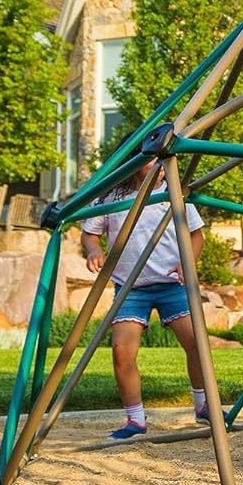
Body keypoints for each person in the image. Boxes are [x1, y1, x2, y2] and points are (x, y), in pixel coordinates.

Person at [80, 169, 209, 441]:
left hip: (171, 282)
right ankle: (135, 420)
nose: (159, 165)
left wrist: (189, 262)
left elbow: (196, 235)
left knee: (196, 342)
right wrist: (94, 250)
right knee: (121, 351)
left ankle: (203, 405)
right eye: (151, 158)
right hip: (130, 287)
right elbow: (90, 234)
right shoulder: (110, 196)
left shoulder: (173, 191)